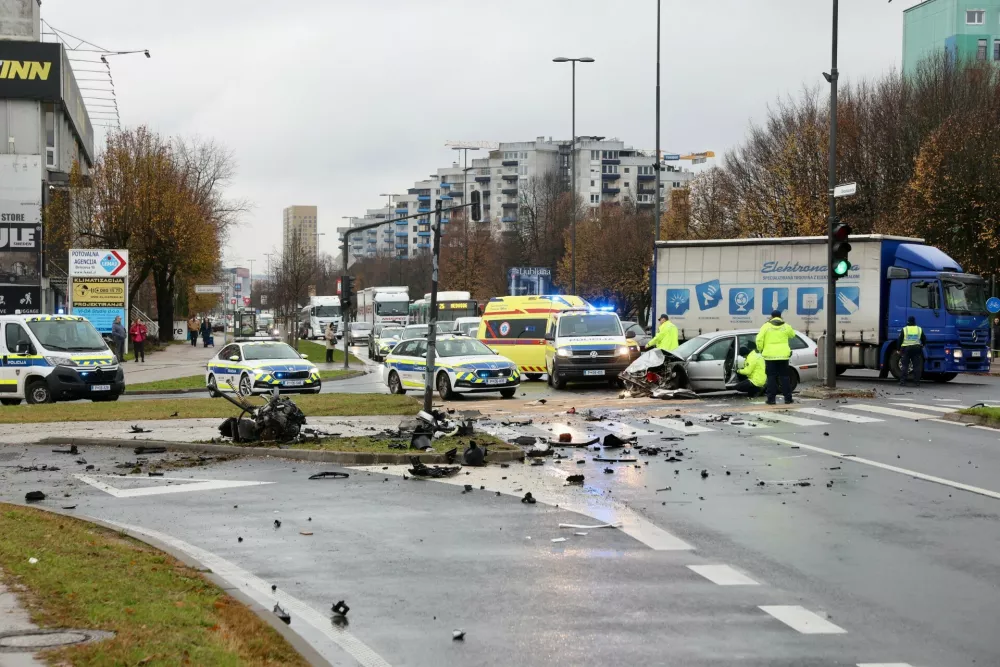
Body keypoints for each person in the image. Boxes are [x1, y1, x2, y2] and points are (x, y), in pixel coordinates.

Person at [756, 309, 795, 405]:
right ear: (780, 316)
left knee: (771, 378)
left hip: (770, 357)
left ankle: (771, 399)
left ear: (771, 316)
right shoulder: (786, 326)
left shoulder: (766, 326)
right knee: (785, 378)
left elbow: (759, 339)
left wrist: (760, 349)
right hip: (783, 356)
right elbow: (792, 335)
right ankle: (788, 398)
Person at [897, 315, 926, 386]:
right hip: (916, 348)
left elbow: (900, 340)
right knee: (917, 366)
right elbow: (924, 339)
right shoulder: (919, 329)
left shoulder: (905, 329)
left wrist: (898, 349)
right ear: (914, 321)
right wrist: (922, 345)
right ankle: (917, 382)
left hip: (906, 349)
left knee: (905, 366)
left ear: (908, 321)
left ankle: (902, 382)